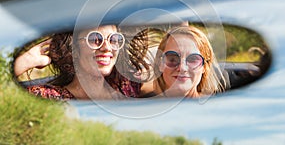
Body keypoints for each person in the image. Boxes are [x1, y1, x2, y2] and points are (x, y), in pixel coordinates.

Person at [14, 25, 142, 100]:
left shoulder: (127, 86)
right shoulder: (47, 96)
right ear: (74, 48)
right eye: (95, 39)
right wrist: (26, 60)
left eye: (114, 40)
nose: (107, 48)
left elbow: (160, 85)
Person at [153, 26, 226, 98]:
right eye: (172, 59)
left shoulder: (219, 107)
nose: (182, 68)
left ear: (205, 67)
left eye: (193, 60)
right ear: (160, 64)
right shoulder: (146, 107)